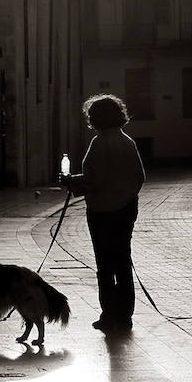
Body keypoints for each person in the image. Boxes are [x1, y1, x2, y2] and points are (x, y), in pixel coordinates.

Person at [61, 93, 146, 331]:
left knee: (105, 265)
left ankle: (109, 313)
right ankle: (126, 314)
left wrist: (70, 182)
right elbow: (139, 177)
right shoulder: (128, 142)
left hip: (101, 212)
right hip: (126, 211)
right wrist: (126, 198)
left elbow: (93, 180)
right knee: (123, 261)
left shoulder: (98, 144)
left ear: (95, 118)